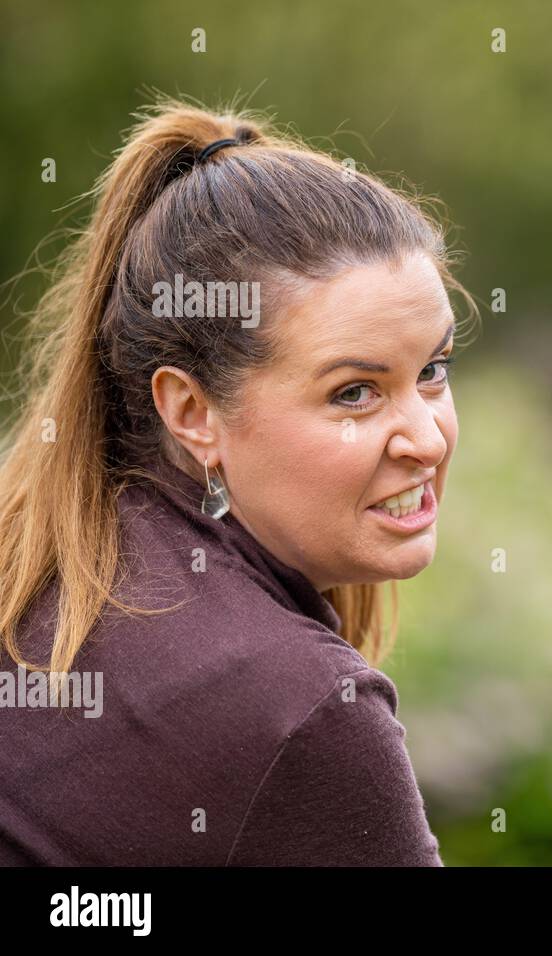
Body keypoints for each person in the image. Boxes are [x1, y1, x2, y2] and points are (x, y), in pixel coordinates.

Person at [0, 101, 473, 865]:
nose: (426, 439)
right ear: (192, 411)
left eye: (434, 372)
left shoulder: (40, 558)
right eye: (354, 392)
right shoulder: (307, 714)